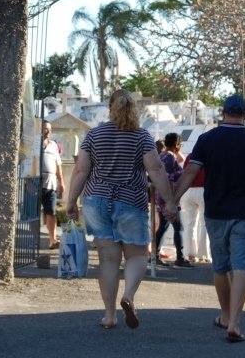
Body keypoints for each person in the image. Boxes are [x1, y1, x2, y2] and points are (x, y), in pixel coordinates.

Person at [67, 89, 178, 330]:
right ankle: (128, 295)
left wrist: (70, 201)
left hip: (97, 201)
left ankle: (109, 315)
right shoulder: (142, 137)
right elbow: (156, 170)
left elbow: (81, 171)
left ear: (110, 108)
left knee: (108, 259)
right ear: (133, 109)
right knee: (137, 254)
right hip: (130, 201)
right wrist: (169, 202)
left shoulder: (94, 135)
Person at [173, 94, 245, 343]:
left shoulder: (208, 139)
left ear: (223, 113)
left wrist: (173, 198)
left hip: (216, 211)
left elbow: (190, 172)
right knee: (241, 266)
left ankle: (225, 315)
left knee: (220, 267)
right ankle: (235, 322)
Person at [153, 133, 192, 268]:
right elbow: (169, 179)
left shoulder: (162, 156)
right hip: (169, 198)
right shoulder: (169, 157)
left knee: (163, 227)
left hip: (161, 196)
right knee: (178, 227)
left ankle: (154, 255)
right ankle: (180, 258)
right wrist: (172, 202)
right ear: (177, 145)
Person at [180, 152, 210, 263]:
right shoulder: (209, 155)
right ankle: (203, 254)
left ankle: (189, 253)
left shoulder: (190, 156)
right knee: (204, 224)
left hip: (188, 190)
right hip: (203, 191)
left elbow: (186, 172)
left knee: (189, 224)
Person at [41, 121, 66, 249]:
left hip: (50, 182)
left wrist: (61, 182)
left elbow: (58, 165)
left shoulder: (54, 146)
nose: (48, 131)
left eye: (49, 129)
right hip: (34, 182)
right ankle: (34, 241)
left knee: (51, 212)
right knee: (32, 214)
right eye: (46, 129)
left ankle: (53, 240)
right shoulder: (34, 144)